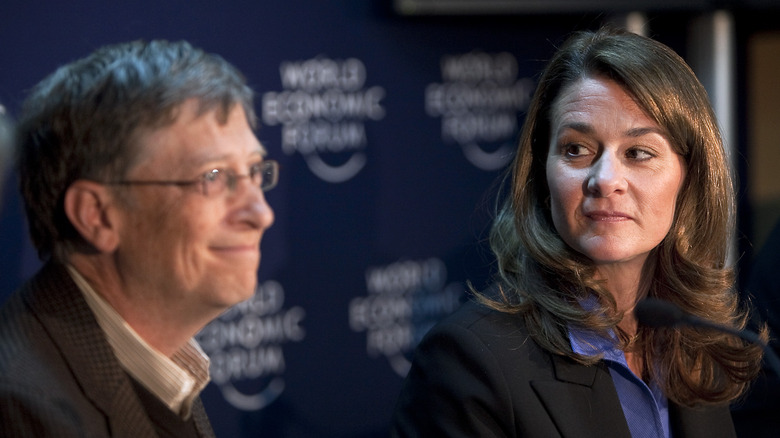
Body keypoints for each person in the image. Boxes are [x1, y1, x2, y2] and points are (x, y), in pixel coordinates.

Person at [391, 26, 765, 438]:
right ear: (541, 174)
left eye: (638, 153)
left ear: (690, 177)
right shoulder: (467, 362)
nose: (605, 180)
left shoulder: (694, 341)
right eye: (576, 150)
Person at [0, 40, 277, 437]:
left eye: (254, 172)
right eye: (213, 177)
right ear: (97, 215)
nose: (261, 214)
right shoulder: (22, 410)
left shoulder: (159, 364)